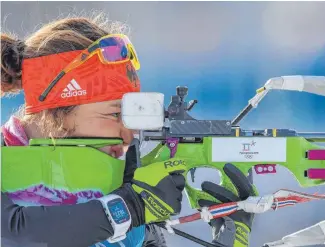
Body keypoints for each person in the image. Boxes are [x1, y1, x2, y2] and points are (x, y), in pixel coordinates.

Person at [1, 13, 255, 247]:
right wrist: (131, 207)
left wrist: (233, 237)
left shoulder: (108, 183)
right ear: (57, 111)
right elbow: (16, 230)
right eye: (114, 114)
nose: (128, 135)